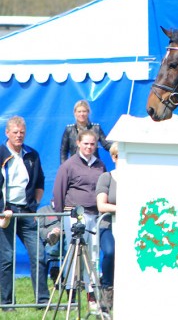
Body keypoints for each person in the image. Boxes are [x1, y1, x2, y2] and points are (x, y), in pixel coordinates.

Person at [53, 129, 106, 312]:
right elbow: (59, 191)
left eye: (92, 144)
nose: (89, 147)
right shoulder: (69, 165)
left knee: (92, 255)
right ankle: (71, 294)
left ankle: (91, 295)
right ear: (78, 143)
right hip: (74, 214)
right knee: (73, 253)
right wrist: (62, 217)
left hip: (95, 215)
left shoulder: (100, 165)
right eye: (86, 144)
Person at [0, 116, 49, 310]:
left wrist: (35, 204)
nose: (19, 136)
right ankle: (6, 302)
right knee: (7, 257)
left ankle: (42, 301)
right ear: (7, 133)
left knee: (39, 254)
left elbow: (40, 182)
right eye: (15, 132)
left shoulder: (32, 155)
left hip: (26, 212)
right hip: (6, 212)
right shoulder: (1, 153)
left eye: (22, 132)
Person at [95, 142, 119, 313]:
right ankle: (107, 290)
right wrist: (122, 208)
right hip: (108, 224)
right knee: (110, 252)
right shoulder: (107, 177)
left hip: (131, 225)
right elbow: (101, 205)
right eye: (118, 156)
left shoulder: (137, 178)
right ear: (113, 157)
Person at [60, 99, 111, 164]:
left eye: (84, 111)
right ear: (75, 113)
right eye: (79, 111)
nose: (82, 114)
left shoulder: (96, 128)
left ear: (88, 112)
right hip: (75, 165)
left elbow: (106, 144)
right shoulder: (69, 129)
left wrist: (118, 147)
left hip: (93, 165)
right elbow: (63, 151)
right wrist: (64, 167)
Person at [37, 199, 64, 287]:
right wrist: (49, 233)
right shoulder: (43, 211)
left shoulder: (67, 210)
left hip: (65, 239)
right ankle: (55, 271)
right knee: (53, 243)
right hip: (48, 241)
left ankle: (56, 271)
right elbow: (39, 229)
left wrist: (60, 231)